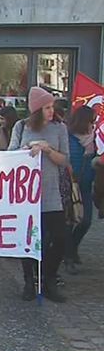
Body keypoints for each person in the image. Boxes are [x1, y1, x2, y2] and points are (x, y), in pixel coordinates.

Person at [8, 86, 69, 303]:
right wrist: (28, 147)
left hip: (52, 193)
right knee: (31, 240)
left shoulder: (59, 128)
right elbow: (11, 155)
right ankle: (29, 281)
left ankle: (49, 278)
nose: (52, 111)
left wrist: (48, 149)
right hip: (28, 195)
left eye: (52, 106)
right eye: (47, 107)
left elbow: (64, 160)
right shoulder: (21, 126)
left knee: (60, 239)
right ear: (36, 109)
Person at [65, 106, 96, 273]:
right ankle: (68, 257)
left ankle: (72, 248)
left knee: (86, 221)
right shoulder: (69, 137)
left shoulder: (95, 139)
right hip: (70, 184)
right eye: (92, 121)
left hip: (85, 185)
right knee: (69, 222)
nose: (94, 124)